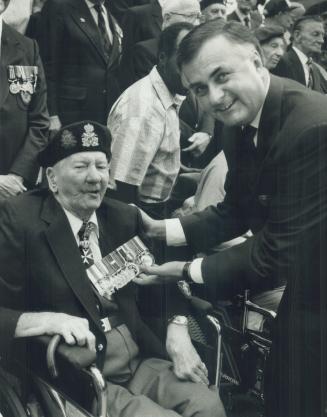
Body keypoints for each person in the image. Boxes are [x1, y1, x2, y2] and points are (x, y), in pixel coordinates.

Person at [136, 19, 327, 417]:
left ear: (257, 61)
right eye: (199, 89)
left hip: (311, 281)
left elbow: (276, 251)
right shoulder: (241, 122)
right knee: (286, 391)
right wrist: (163, 229)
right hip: (309, 281)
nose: (215, 98)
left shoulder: (311, 127)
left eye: (222, 77)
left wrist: (188, 271)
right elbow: (238, 210)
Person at [0, 120, 226, 417]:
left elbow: (159, 283)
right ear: (52, 178)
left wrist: (178, 325)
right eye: (81, 167)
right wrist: (46, 320)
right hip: (84, 374)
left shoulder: (122, 217)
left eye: (102, 166)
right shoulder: (20, 221)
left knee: (208, 406)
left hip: (141, 355)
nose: (95, 178)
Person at [107, 23, 193, 219]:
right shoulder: (143, 109)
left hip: (157, 206)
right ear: (163, 58)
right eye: (183, 59)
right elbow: (121, 189)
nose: (192, 69)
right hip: (141, 215)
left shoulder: (167, 93)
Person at [39, 0, 123, 130]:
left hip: (106, 115)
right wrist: (52, 114)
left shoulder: (109, 14)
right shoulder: (60, 7)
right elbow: (48, 65)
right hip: (72, 114)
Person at [0, 0, 49, 203]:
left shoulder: (27, 49)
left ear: (3, 4)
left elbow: (39, 122)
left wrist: (17, 175)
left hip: (15, 188)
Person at [272, 15, 327, 93]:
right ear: (297, 35)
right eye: (315, 34)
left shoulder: (315, 69)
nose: (321, 41)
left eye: (323, 36)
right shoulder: (281, 62)